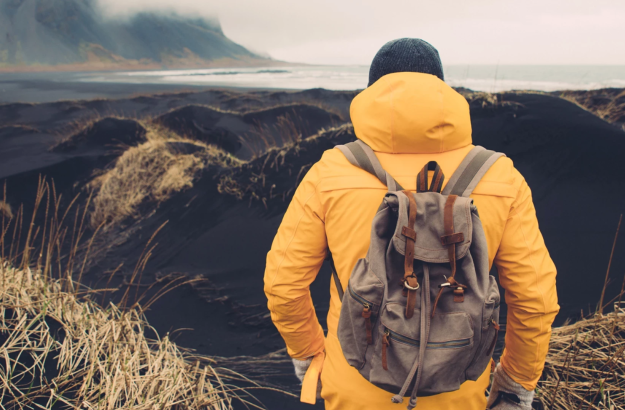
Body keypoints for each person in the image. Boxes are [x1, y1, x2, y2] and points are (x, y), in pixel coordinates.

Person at [264, 38, 559, 410]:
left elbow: (283, 283)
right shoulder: (501, 177)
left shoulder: (329, 174)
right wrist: (516, 383)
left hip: (354, 389)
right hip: (461, 392)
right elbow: (535, 298)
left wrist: (308, 354)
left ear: (371, 92)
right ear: (442, 90)